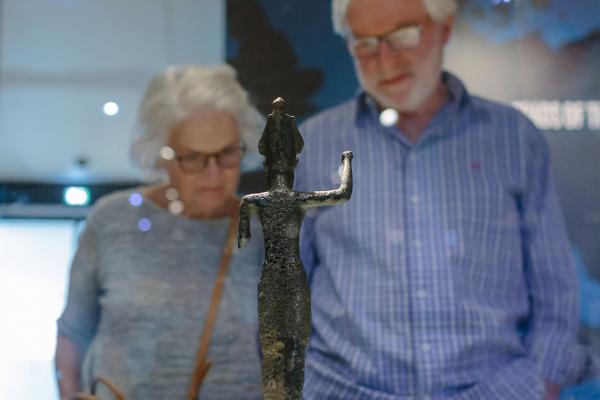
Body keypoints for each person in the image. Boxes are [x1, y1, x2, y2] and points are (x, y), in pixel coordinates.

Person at [294, 0, 588, 399]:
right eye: (364, 43)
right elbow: (283, 289)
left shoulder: (513, 137)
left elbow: (555, 289)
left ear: (444, 28)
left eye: (403, 35)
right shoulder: (313, 145)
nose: (385, 59)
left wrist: (540, 384)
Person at [55, 65, 264, 400]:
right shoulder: (112, 220)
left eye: (227, 153)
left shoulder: (263, 229)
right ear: (161, 155)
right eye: (193, 158)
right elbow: (73, 332)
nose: (214, 174)